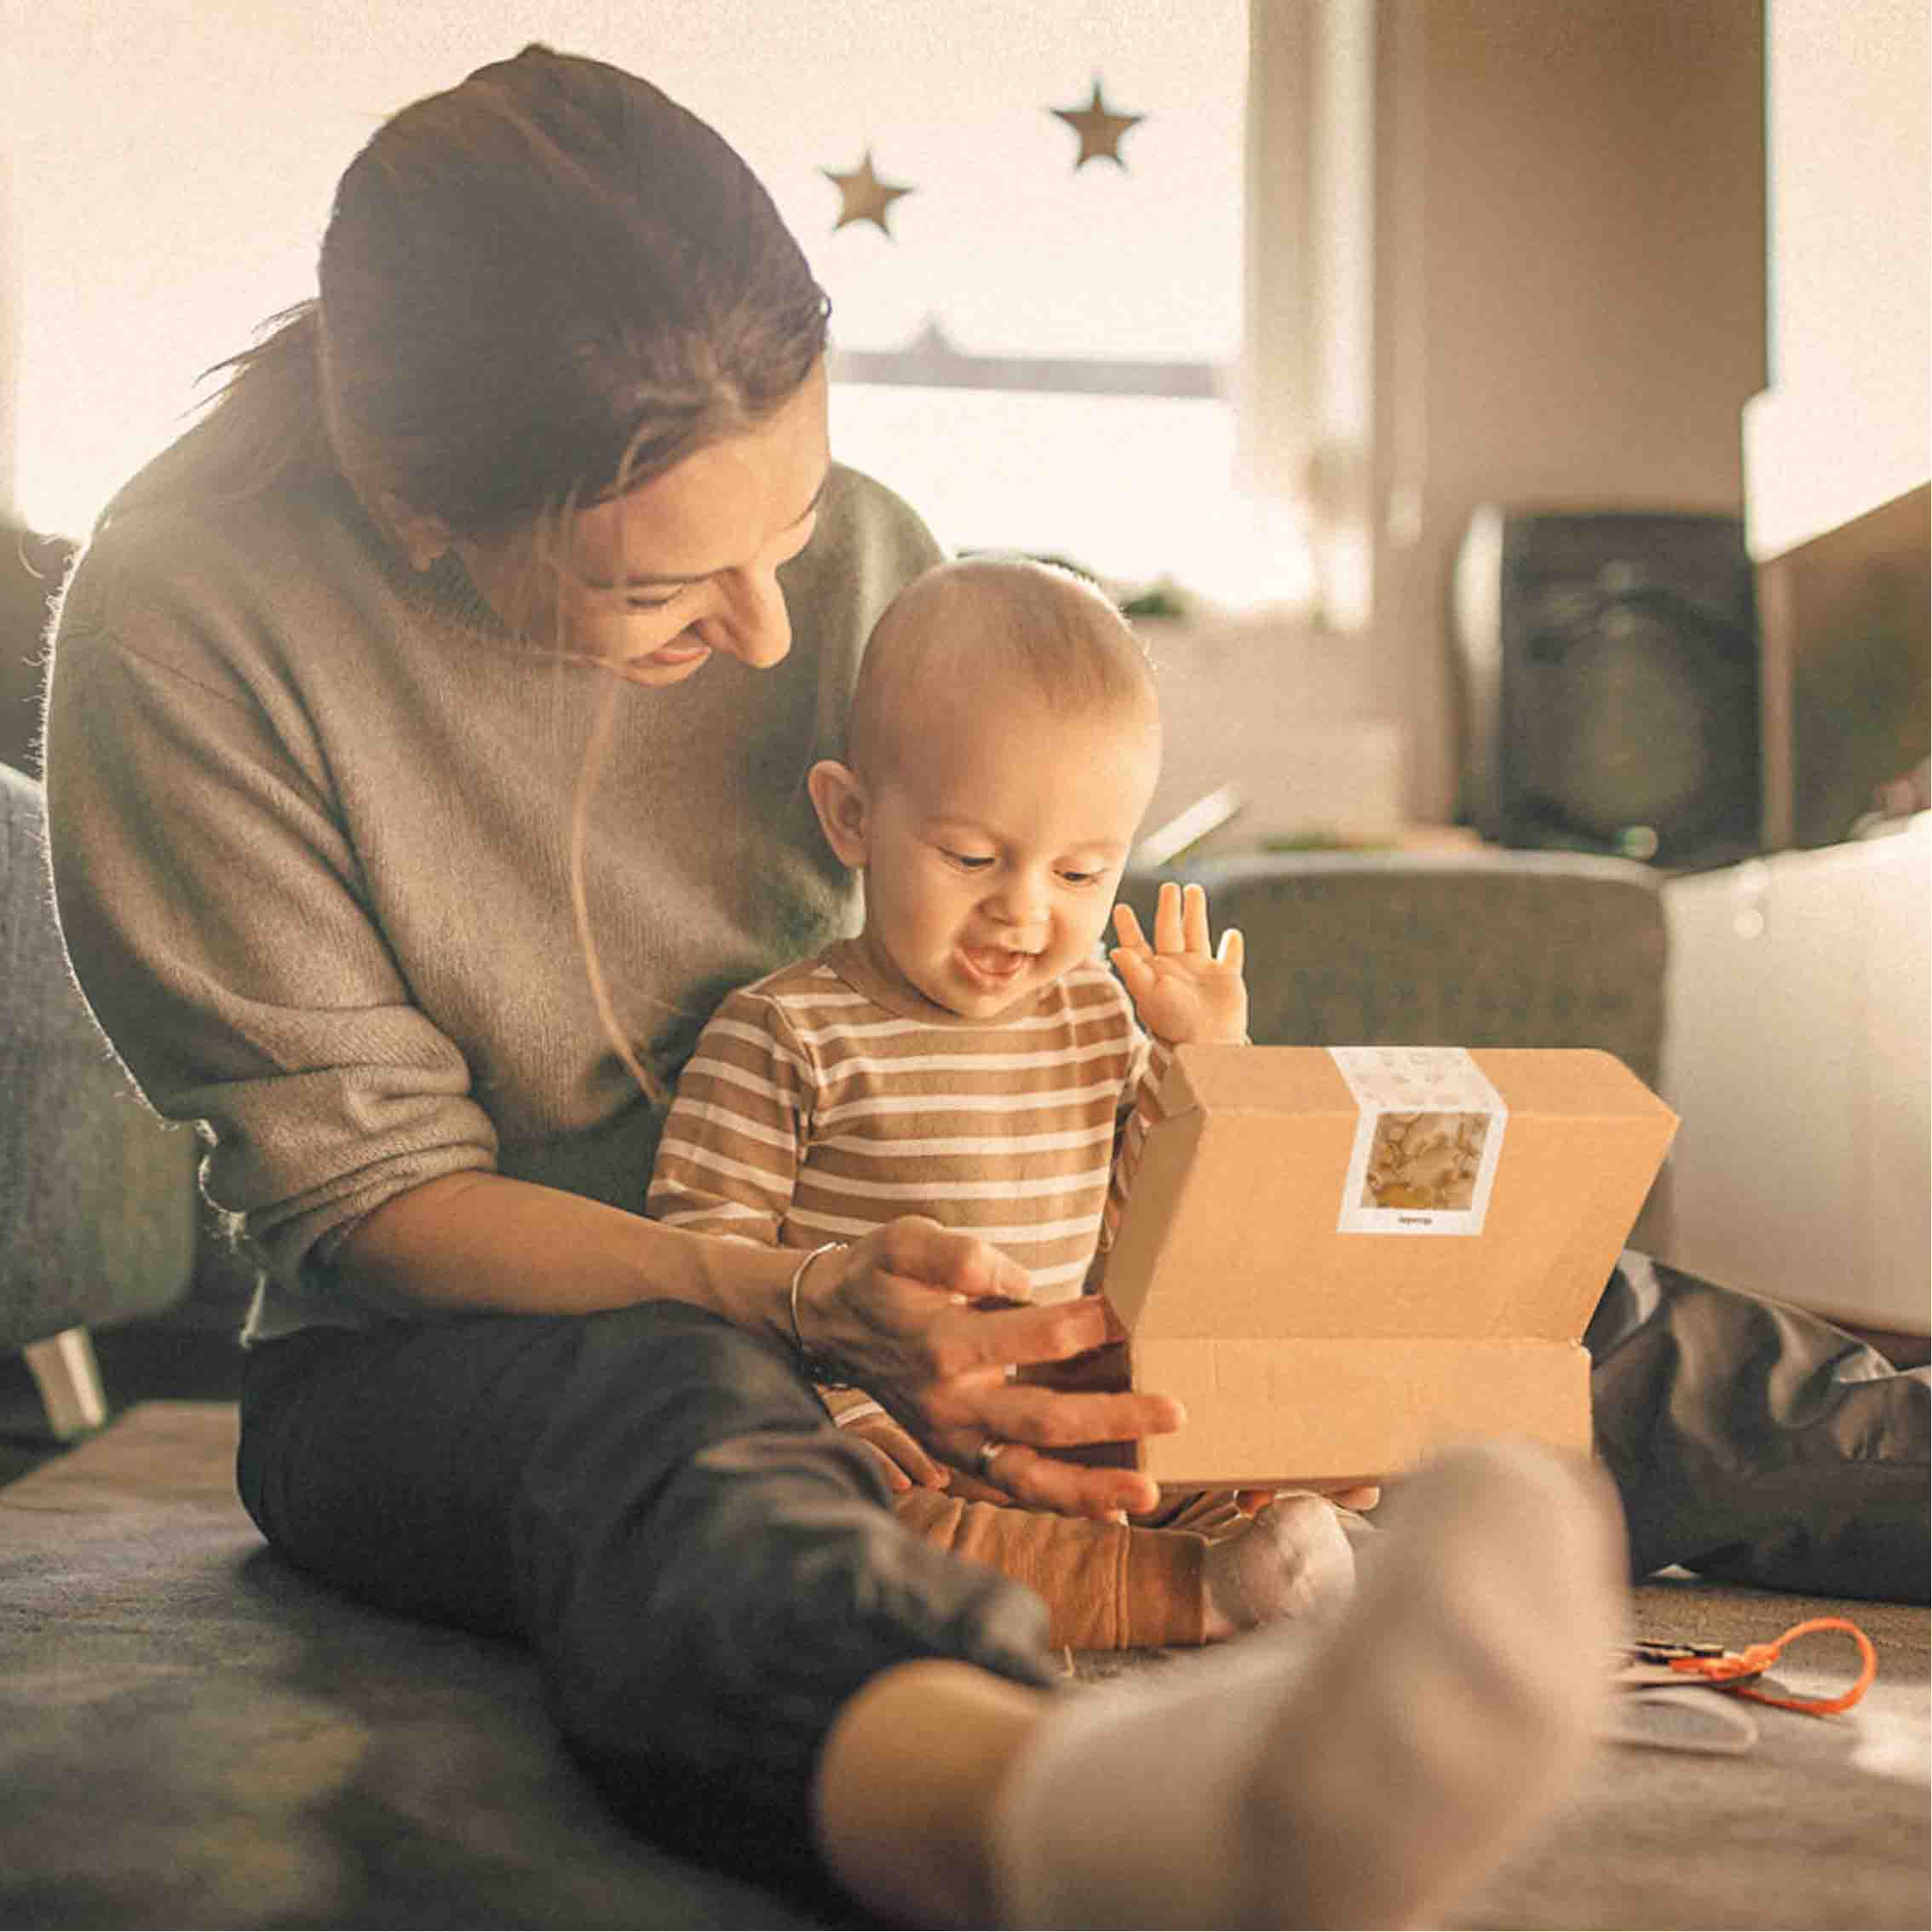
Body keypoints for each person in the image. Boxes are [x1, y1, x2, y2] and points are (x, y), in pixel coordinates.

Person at [35, 41, 1921, 1929]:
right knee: (673, 1428)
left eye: (790, 531)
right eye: (663, 599)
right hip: (478, 1349)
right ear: (424, 512)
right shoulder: (189, 627)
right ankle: (1064, 1816)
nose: (779, 629)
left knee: (1532, 1302)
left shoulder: (857, 558)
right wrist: (809, 1304)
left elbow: (1032, 993)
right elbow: (365, 1209)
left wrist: (1203, 1231)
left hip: (955, 1261)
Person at [649, 553, 1369, 1652]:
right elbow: (705, 1265)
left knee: (1256, 1436)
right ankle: (1195, 1596)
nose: (1023, 913)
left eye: (1082, 875)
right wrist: (830, 1409)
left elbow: (1158, 1236)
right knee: (844, 1533)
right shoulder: (787, 1032)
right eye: (973, 855)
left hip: (1081, 1426)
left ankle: (1272, 1555)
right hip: (895, 1444)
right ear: (851, 818)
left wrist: (1208, 1064)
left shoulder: (1098, 1019)